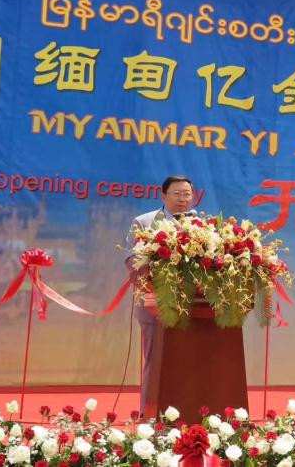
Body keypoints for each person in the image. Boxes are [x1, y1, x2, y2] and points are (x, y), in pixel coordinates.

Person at [128, 175, 196, 415]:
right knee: (155, 361)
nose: (182, 199)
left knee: (189, 362)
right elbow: (131, 261)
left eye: (187, 194)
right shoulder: (144, 222)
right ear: (163, 196)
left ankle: (187, 412)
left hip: (193, 306)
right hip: (153, 304)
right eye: (177, 194)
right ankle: (150, 415)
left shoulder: (202, 224)